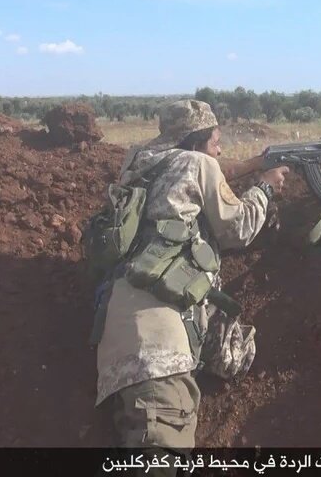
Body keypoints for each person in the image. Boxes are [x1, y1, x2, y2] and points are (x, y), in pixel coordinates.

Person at [91, 99, 288, 463]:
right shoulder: (198, 164)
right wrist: (265, 186)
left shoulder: (140, 164)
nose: (220, 150)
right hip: (157, 354)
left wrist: (250, 165)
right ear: (197, 144)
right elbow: (238, 228)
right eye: (216, 142)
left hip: (119, 334)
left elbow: (196, 178)